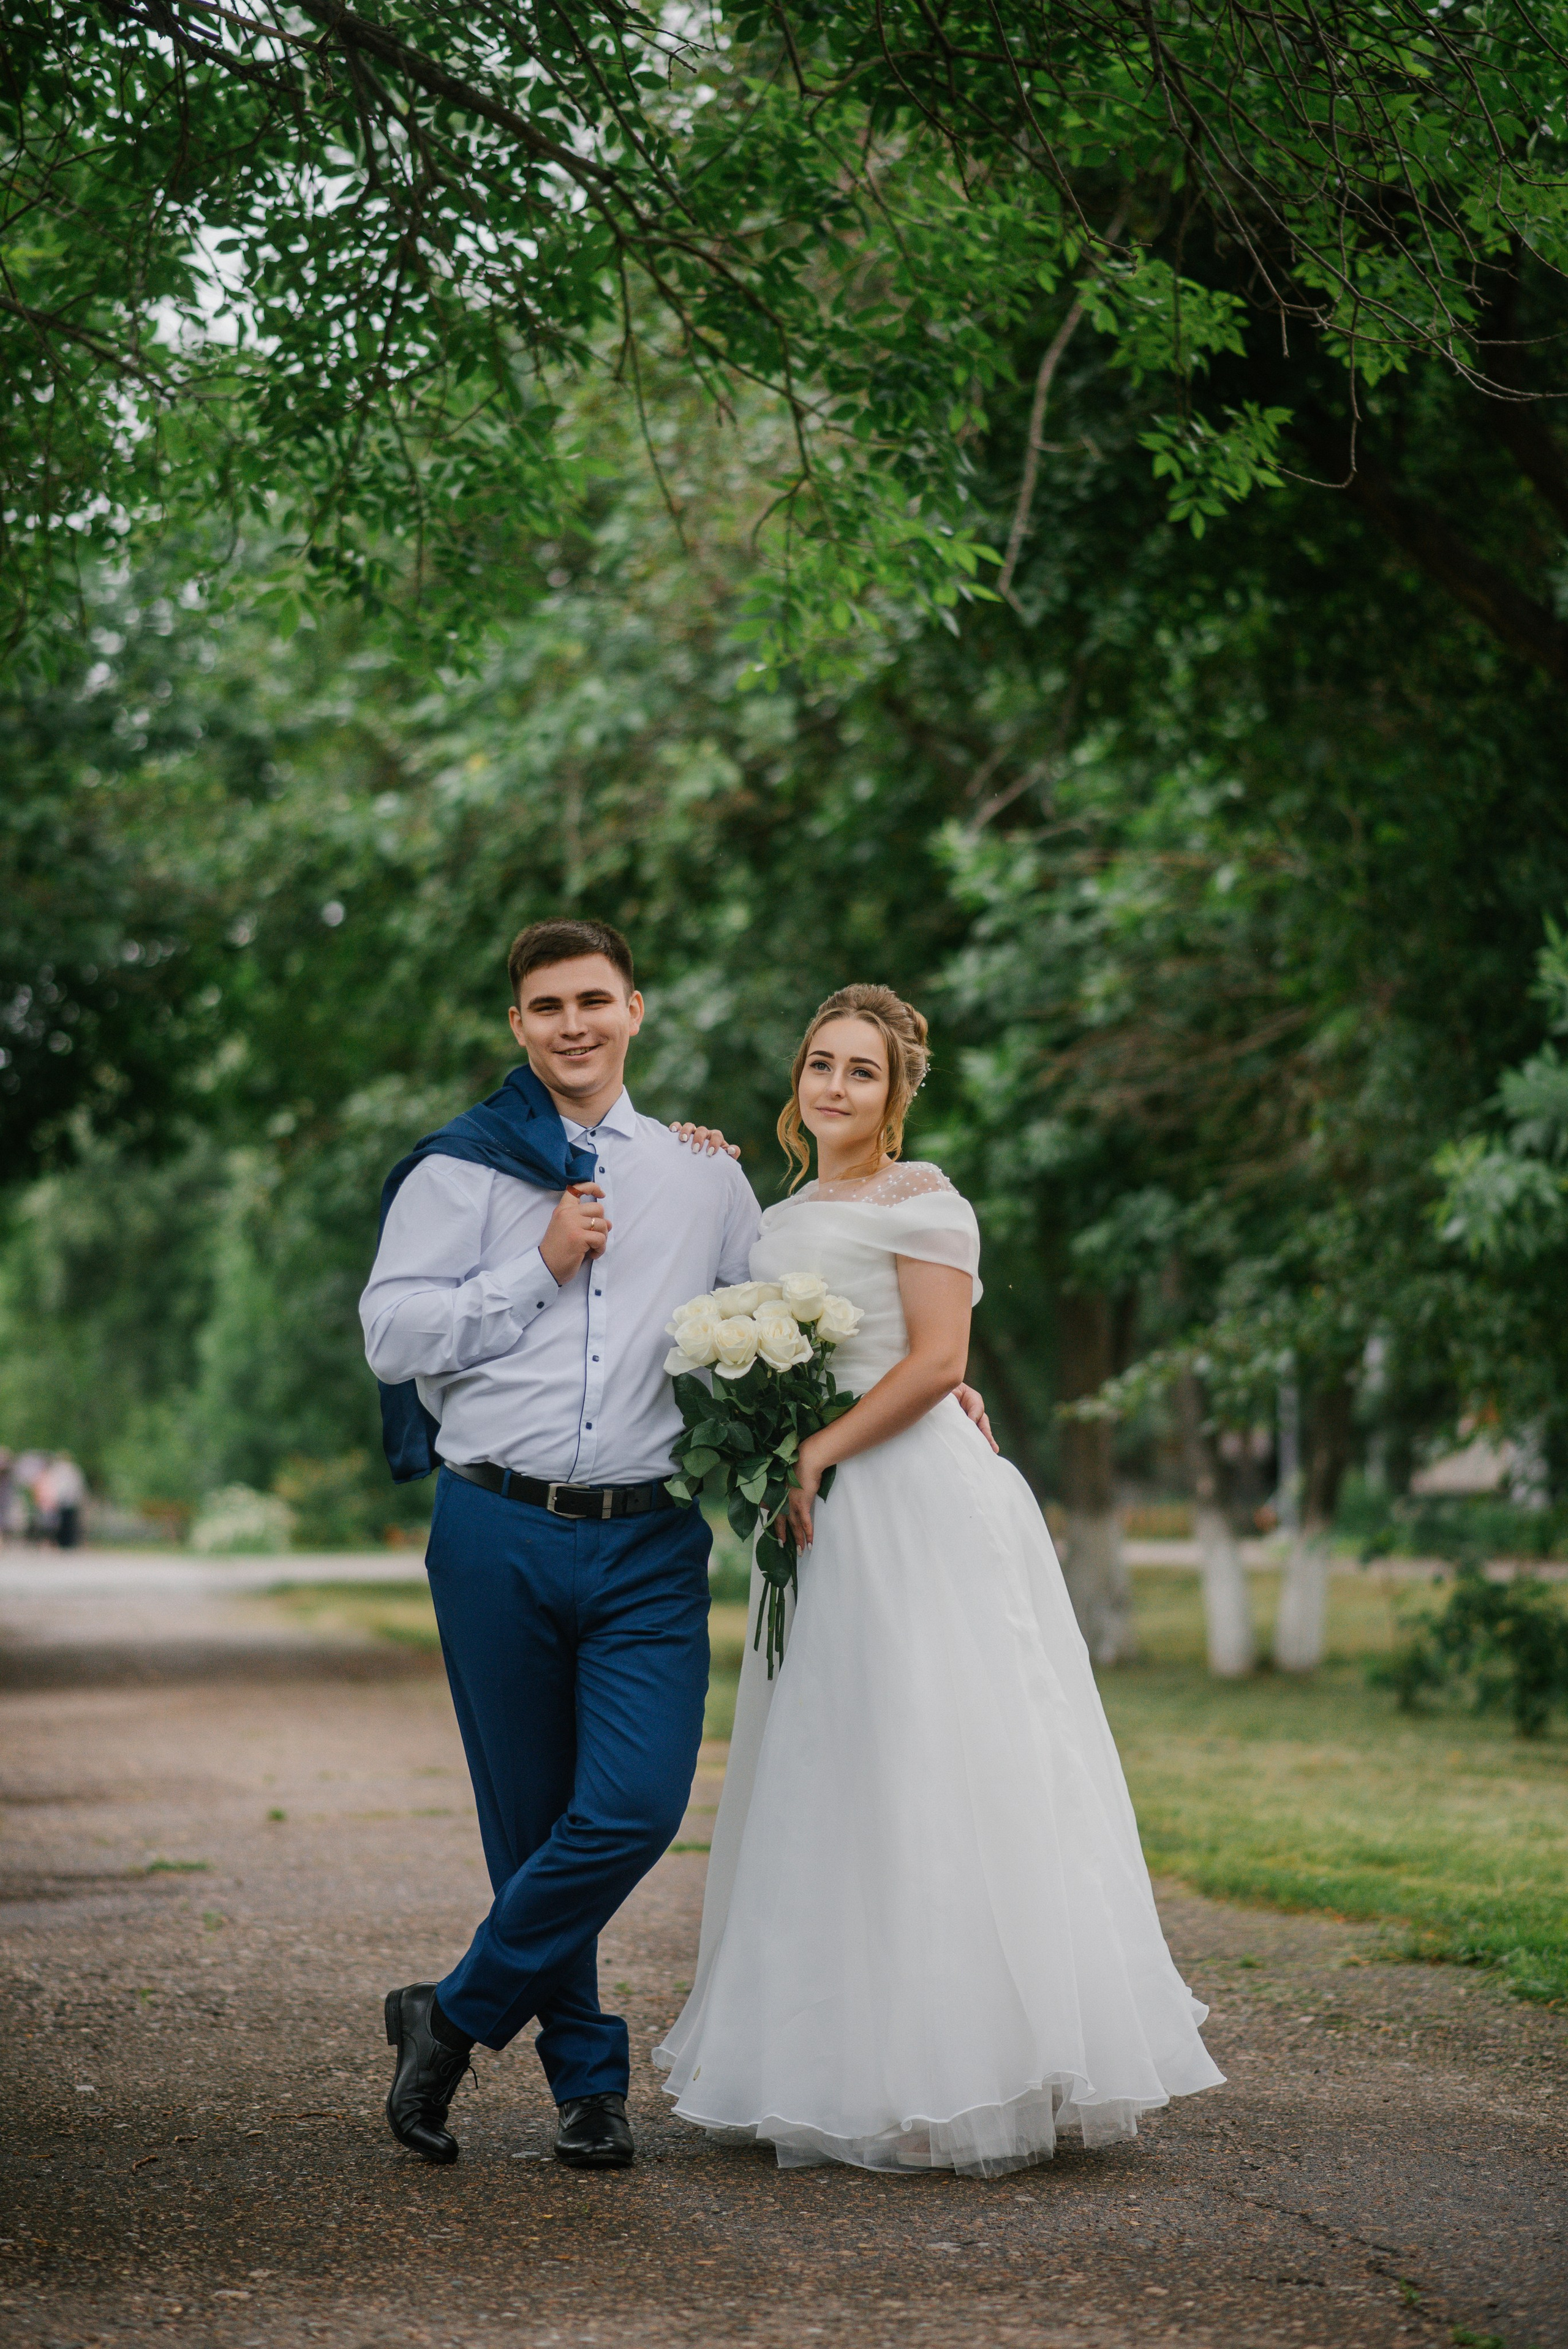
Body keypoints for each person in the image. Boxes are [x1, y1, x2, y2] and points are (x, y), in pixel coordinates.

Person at [360, 916, 1002, 2172]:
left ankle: (448, 2014)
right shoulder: (459, 1172)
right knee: (530, 1821)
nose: (572, 1024)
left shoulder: (702, 1174)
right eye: (546, 1006)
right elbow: (392, 1338)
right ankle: (587, 2090)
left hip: (646, 1537)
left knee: (635, 1806)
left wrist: (932, 1386)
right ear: (518, 1027)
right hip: (492, 1522)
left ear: (634, 1010)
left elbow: (777, 1324)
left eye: (593, 999)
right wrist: (535, 1267)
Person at [655, 984, 1224, 2175]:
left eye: (860, 1071)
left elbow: (934, 1362)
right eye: (819, 1063)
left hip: (909, 1502)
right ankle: (827, 2058)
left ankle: (961, 2067)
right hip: (816, 1512)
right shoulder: (783, 1211)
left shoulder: (927, 1202)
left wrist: (814, 1448)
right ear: (795, 1080)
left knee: (932, 1757)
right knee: (829, 1762)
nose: (833, 1086)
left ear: (894, 1093)